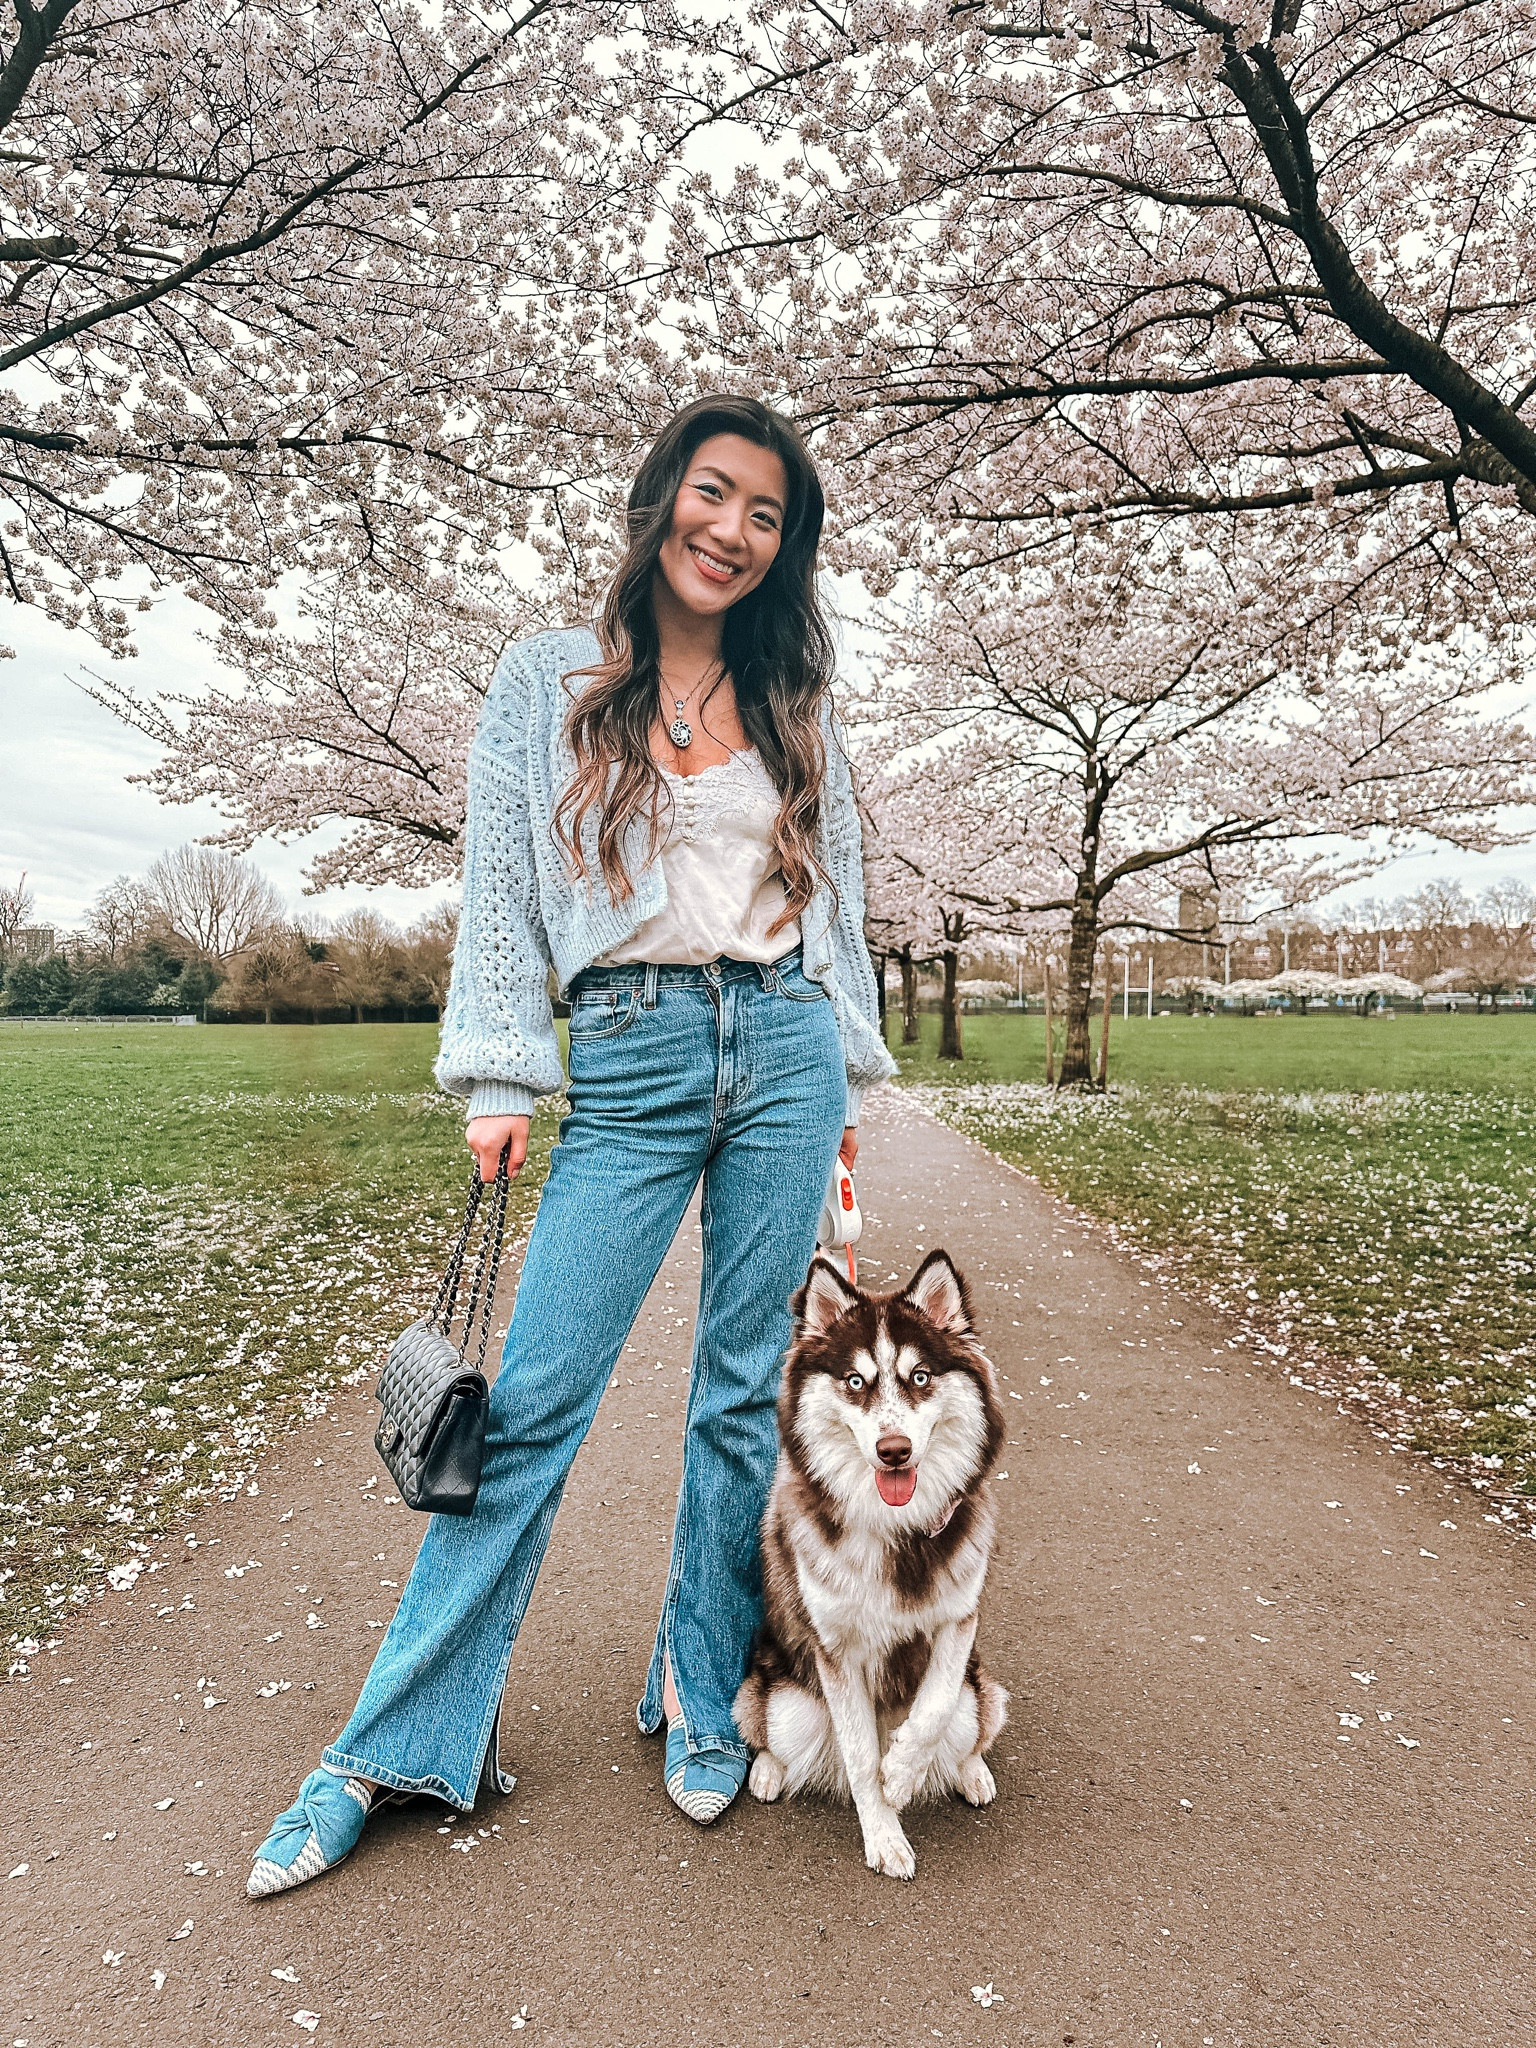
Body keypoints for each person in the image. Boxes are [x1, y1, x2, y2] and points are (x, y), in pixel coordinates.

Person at [247, 394, 895, 1896]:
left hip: (786, 1047)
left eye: (768, 517)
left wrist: (849, 1096)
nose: (733, 533)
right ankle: (394, 1745)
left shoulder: (797, 700)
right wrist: (497, 1070)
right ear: (664, 496)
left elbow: (842, 911)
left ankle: (698, 1685)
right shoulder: (547, 678)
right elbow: (498, 884)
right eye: (715, 494)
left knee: (741, 1397)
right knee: (533, 1405)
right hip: (631, 1046)